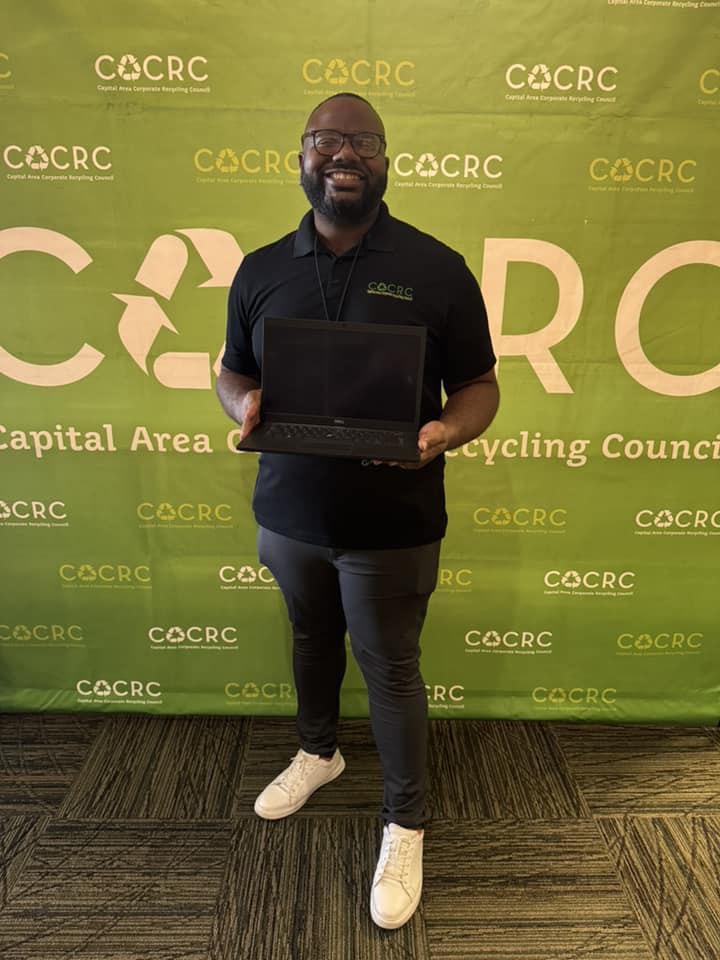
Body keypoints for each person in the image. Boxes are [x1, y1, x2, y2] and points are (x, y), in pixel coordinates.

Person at [216, 92, 499, 929]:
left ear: (385, 161)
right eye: (326, 140)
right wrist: (241, 404)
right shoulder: (260, 269)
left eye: (363, 142)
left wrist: (445, 431)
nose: (344, 155)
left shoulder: (438, 267)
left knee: (390, 667)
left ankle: (406, 824)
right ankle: (319, 752)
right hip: (290, 514)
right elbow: (231, 370)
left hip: (393, 520)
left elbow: (480, 387)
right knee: (310, 640)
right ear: (302, 157)